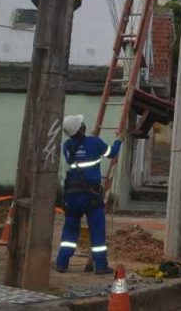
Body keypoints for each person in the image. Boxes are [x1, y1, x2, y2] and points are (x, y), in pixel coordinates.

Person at [54, 114, 121, 275]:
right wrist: (119, 140)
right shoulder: (94, 142)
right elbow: (111, 153)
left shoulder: (67, 146)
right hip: (91, 196)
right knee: (97, 230)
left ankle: (62, 263)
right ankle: (100, 266)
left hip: (71, 196)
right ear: (82, 128)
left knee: (70, 231)